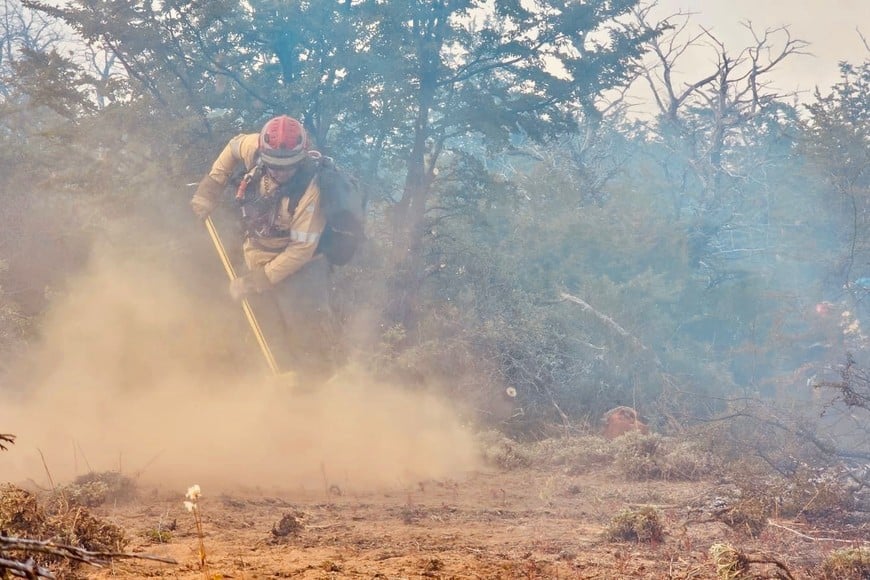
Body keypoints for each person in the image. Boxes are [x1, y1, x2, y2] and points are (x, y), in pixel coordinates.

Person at [190, 115, 339, 380]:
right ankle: (270, 384)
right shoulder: (254, 147)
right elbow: (233, 147)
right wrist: (209, 189)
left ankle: (314, 389)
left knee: (308, 335)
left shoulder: (311, 190)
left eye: (287, 167)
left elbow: (300, 251)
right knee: (264, 330)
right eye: (273, 165)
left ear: (300, 158)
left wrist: (254, 282)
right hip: (258, 253)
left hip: (304, 267)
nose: (279, 172)